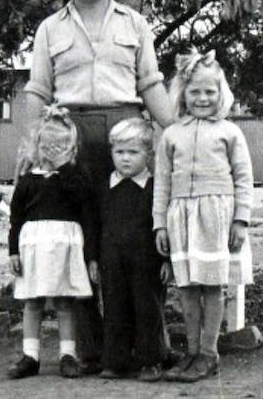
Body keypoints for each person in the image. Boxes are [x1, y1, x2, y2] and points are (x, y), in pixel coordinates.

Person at [23, 0, 176, 373]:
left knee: (139, 234)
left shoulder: (134, 24)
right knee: (81, 240)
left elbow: (150, 83)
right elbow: (38, 90)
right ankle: (93, 351)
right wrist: (37, 149)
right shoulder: (50, 29)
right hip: (71, 135)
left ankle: (152, 346)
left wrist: (177, 130)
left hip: (127, 128)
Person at [153, 49, 254, 383]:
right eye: (195, 91)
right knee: (186, 289)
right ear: (183, 94)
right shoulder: (171, 135)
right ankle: (192, 352)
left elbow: (244, 179)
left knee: (213, 286)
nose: (202, 98)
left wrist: (240, 219)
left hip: (216, 217)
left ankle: (209, 354)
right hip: (180, 218)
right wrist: (159, 224)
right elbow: (162, 184)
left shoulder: (229, 133)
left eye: (210, 92)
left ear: (221, 94)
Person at [6, 106, 99, 380]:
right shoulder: (27, 181)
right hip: (33, 249)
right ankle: (30, 356)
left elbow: (85, 204)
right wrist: (12, 251)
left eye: (60, 146)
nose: (53, 151)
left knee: (64, 302)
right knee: (33, 303)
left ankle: (67, 356)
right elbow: (16, 218)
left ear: (71, 149)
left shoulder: (75, 178)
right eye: (47, 145)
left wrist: (65, 170)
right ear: (37, 145)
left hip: (64, 248)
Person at [94, 117, 172, 382]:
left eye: (133, 152)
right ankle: (116, 361)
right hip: (112, 260)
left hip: (146, 261)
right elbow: (96, 225)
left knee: (147, 308)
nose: (125, 159)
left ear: (148, 154)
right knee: (115, 308)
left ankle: (151, 360)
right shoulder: (106, 187)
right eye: (119, 152)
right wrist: (93, 259)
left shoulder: (154, 188)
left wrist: (166, 261)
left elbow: (163, 226)